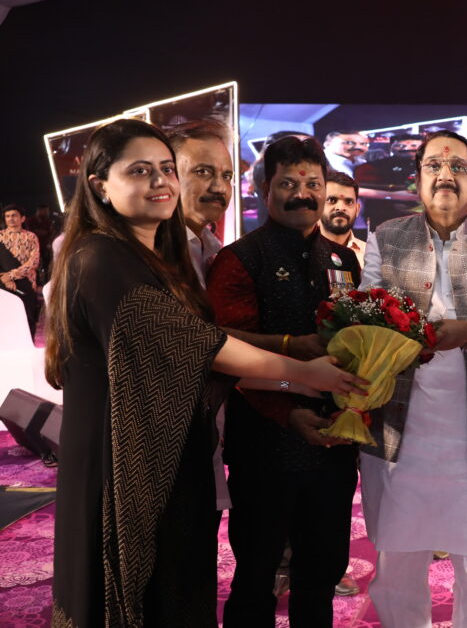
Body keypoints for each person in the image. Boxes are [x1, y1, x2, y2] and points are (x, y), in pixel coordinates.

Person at [44, 118, 366, 628]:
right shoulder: (101, 255)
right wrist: (303, 373)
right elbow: (202, 346)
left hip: (182, 450)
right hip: (128, 455)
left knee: (194, 585)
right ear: (100, 185)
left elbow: (209, 360)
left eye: (166, 170)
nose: (161, 182)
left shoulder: (171, 254)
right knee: (150, 590)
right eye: (141, 170)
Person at [359, 129, 467, 628]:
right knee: (397, 559)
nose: (445, 175)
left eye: (458, 166)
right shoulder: (386, 237)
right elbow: (364, 319)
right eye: (434, 165)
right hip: (400, 430)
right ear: (417, 180)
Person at [206, 135, 363, 628]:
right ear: (263, 189)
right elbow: (225, 349)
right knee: (256, 576)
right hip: (264, 445)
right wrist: (288, 398)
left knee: (321, 574)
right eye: (288, 183)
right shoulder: (239, 259)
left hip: (333, 444)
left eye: (312, 183)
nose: (303, 194)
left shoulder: (342, 261)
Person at [167, 120, 234, 287]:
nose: (220, 188)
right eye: (203, 172)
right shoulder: (150, 252)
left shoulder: (212, 250)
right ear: (169, 176)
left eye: (226, 176)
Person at [353, 132, 423, 229]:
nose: (407, 148)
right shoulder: (371, 167)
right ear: (391, 147)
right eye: (400, 146)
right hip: (385, 218)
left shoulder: (432, 165)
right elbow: (360, 190)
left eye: (414, 145)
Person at [0, 203, 40, 336]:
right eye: (7, 216)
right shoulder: (0, 237)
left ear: (22, 218)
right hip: (3, 285)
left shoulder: (31, 237)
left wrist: (11, 275)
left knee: (28, 318)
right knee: (6, 319)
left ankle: (28, 346)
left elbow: (33, 261)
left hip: (27, 283)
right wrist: (5, 280)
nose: (10, 219)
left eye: (14, 216)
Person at [320, 169, 367, 267]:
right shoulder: (299, 252)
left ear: (357, 209)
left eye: (349, 202)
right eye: (332, 200)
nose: (341, 208)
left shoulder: (372, 256)